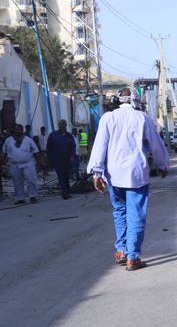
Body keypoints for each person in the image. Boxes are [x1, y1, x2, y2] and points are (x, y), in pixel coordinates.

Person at [87, 86, 170, 271]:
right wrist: (162, 164)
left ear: (117, 100)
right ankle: (133, 257)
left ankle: (122, 251)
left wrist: (97, 173)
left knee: (120, 213)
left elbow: (100, 145)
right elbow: (155, 145)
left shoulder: (107, 118)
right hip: (135, 175)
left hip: (113, 175)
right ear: (135, 100)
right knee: (136, 215)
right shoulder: (142, 118)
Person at [1, 124, 40, 204]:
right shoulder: (8, 140)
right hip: (14, 164)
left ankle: (33, 196)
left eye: (19, 129)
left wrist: (40, 162)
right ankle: (20, 198)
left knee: (31, 180)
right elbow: (4, 152)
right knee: (17, 182)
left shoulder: (28, 140)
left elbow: (35, 151)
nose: (17, 131)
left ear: (22, 130)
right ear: (14, 130)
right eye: (16, 129)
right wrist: (2, 163)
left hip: (28, 164)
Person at [46, 119, 76, 199]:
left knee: (67, 175)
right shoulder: (53, 135)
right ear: (58, 125)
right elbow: (49, 148)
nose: (61, 126)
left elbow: (73, 147)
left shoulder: (69, 136)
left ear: (66, 125)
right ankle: (64, 192)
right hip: (57, 160)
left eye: (63, 124)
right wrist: (49, 159)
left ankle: (67, 190)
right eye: (60, 124)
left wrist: (72, 156)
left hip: (67, 160)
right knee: (60, 175)